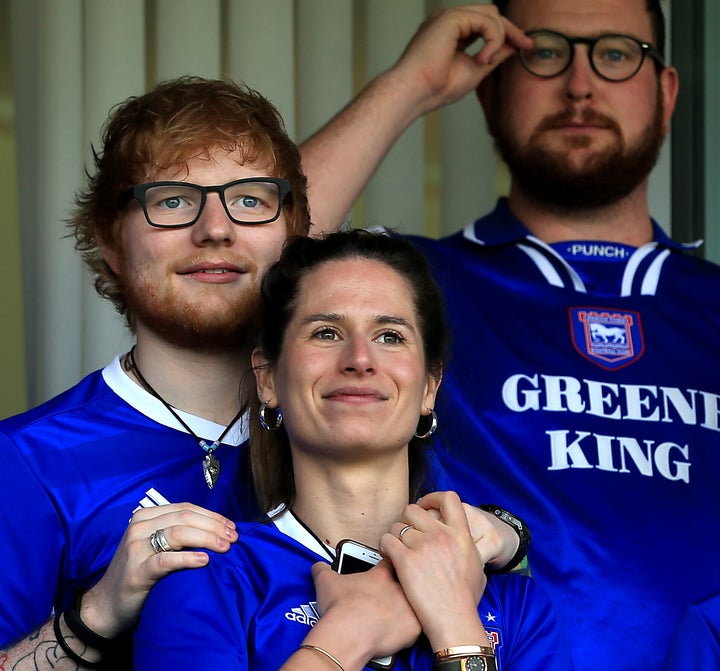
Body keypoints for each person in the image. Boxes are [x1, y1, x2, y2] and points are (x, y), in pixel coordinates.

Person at [0, 77, 520, 669]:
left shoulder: (357, 410)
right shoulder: (26, 460)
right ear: (110, 240)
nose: (215, 229)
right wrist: (95, 615)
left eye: (249, 200)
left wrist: (509, 537)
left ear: (295, 234)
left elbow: (504, 559)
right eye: (171, 200)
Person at [298, 2, 720, 670]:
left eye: (616, 53)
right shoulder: (407, 289)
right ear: (489, 89)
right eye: (545, 52)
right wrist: (413, 83)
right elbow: (247, 259)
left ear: (666, 93)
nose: (580, 85)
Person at [133, 230, 573, 671]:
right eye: (326, 332)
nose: (360, 358)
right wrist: (350, 633)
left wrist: (456, 625)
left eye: (390, 336)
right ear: (267, 379)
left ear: (430, 388)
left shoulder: (516, 604)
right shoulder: (207, 581)